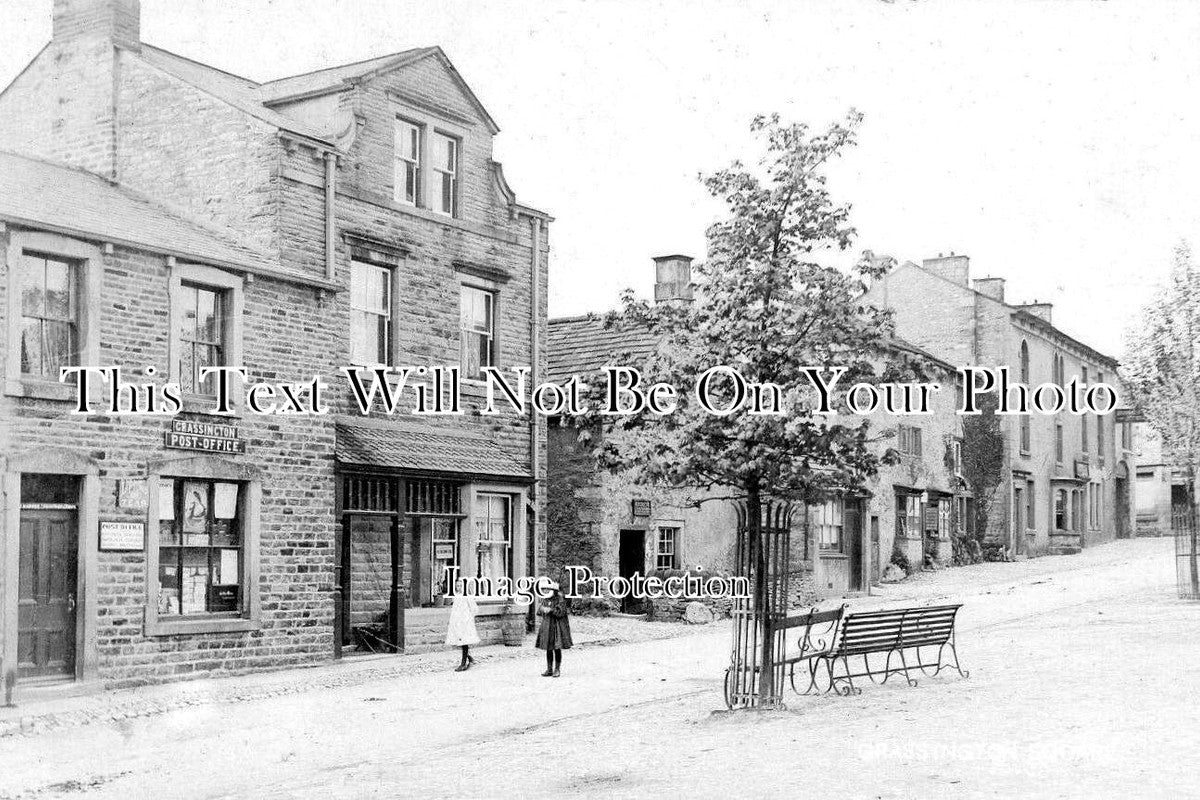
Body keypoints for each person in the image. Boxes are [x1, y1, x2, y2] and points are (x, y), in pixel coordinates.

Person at [536, 581, 573, 677]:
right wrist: (542, 609)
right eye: (544, 589)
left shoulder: (560, 599)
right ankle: (549, 669)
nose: (545, 591)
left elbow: (561, 612)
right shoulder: (545, 599)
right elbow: (539, 611)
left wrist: (551, 610)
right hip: (547, 625)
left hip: (557, 626)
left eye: (547, 589)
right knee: (548, 648)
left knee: (557, 648)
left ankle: (557, 669)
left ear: (553, 590)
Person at [445, 579, 479, 672]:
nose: (459, 587)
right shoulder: (456, 596)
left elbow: (474, 609)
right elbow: (455, 609)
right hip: (457, 622)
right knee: (458, 641)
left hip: (465, 622)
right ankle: (469, 657)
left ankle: (463, 664)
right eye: (457, 586)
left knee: (464, 642)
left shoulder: (467, 596)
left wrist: (468, 618)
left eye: (461, 586)